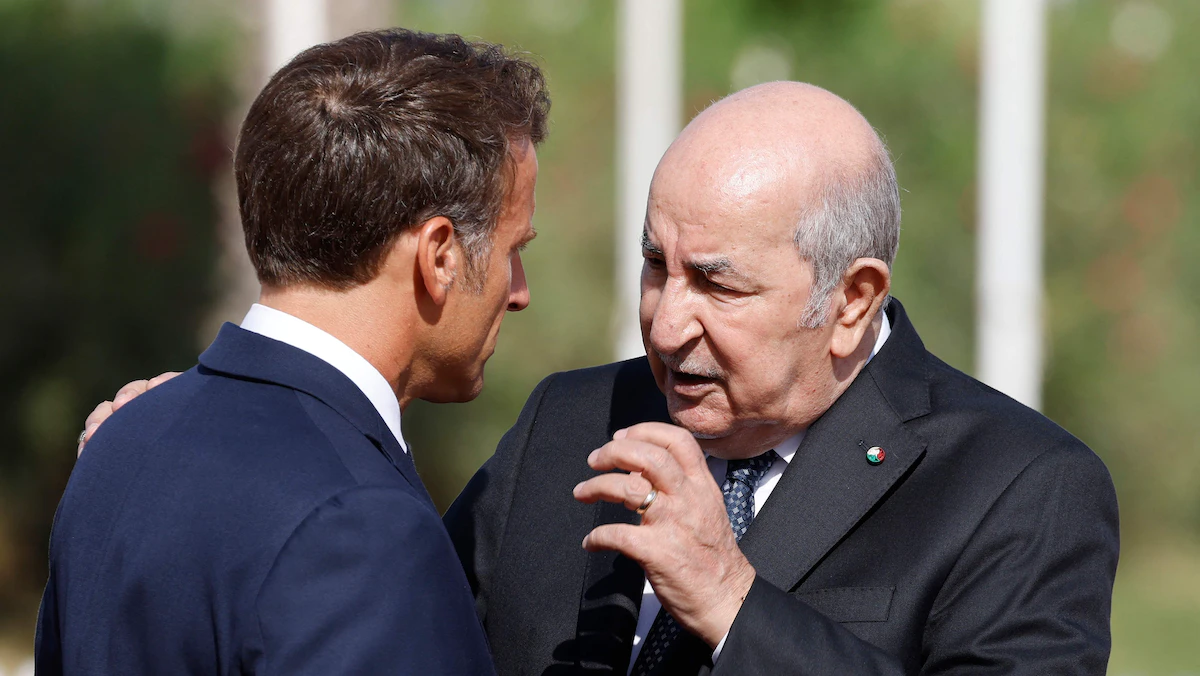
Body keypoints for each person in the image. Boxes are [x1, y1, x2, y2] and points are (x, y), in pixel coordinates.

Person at [81, 82, 1119, 675]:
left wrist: (735, 603)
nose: (666, 321)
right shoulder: (573, 418)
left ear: (852, 299)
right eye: (657, 264)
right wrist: (214, 470)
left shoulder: (1021, 489)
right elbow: (380, 622)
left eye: (718, 283)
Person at [40, 28, 548, 675]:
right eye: (514, 250)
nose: (519, 292)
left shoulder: (120, 442)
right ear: (439, 256)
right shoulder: (360, 527)